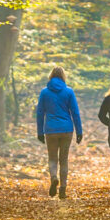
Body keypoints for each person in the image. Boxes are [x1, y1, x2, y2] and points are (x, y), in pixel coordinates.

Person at [36, 66, 83, 199]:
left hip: (50, 129)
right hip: (66, 129)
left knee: (52, 158)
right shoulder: (69, 91)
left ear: (50, 76)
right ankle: (63, 188)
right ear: (63, 76)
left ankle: (54, 178)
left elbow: (40, 112)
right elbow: (75, 112)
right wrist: (79, 131)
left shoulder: (44, 92)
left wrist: (40, 131)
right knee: (64, 159)